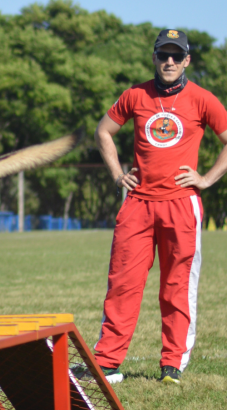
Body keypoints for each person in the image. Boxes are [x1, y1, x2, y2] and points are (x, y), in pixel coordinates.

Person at [93, 29, 227, 385]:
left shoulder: (202, 99)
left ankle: (172, 364)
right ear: (154, 57)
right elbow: (103, 131)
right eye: (163, 55)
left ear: (187, 60)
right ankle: (107, 362)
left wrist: (207, 179)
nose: (169, 61)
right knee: (123, 283)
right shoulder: (135, 95)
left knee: (177, 284)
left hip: (182, 205)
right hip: (137, 204)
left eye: (176, 55)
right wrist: (118, 173)